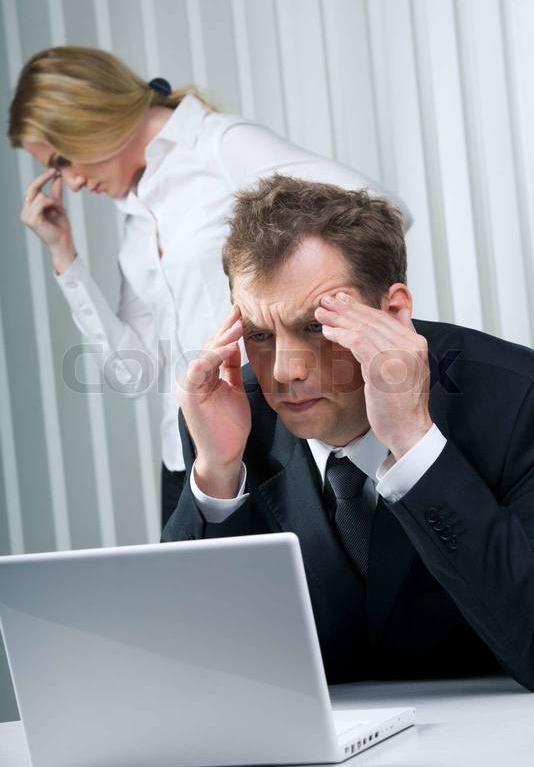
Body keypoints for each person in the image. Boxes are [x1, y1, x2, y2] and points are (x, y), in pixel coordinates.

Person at [8, 46, 412, 530]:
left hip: (267, 440)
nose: (71, 183)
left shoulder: (219, 145)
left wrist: (297, 317)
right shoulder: (137, 222)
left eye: (63, 160)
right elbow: (132, 372)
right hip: (186, 458)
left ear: (88, 117)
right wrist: (64, 256)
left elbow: (383, 212)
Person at [162, 174, 534, 691]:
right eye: (260, 335)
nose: (285, 370)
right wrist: (217, 475)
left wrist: (415, 443)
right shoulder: (226, 414)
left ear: (393, 311)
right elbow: (189, 664)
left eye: (317, 326)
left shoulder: (519, 401)